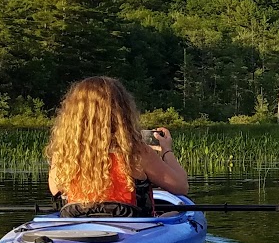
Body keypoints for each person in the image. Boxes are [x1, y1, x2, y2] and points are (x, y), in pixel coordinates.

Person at [46, 76, 190, 216]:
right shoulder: (137, 153)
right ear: (122, 113)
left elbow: (55, 190)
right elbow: (181, 186)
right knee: (176, 212)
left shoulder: (63, 155)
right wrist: (166, 150)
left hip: (77, 228)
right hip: (133, 230)